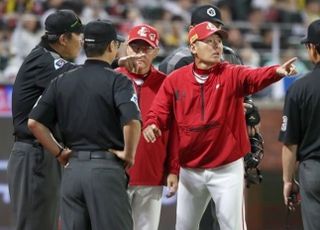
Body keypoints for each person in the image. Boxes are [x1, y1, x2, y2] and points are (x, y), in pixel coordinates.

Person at [143, 21, 297, 230]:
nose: (217, 46)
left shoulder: (230, 73)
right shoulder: (176, 80)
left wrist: (276, 72)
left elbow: (253, 76)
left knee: (232, 227)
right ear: (193, 47)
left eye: (219, 41)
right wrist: (152, 123)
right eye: (210, 41)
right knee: (184, 227)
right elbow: (159, 110)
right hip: (191, 168)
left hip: (226, 167)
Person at [27, 19, 142, 230]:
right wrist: (129, 154)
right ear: (111, 46)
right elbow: (132, 121)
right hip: (105, 170)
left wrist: (60, 153)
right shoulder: (119, 81)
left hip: (73, 172)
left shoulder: (62, 80)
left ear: (85, 45)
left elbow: (34, 122)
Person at [158, 4, 263, 229]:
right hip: (191, 158)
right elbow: (164, 113)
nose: (213, 31)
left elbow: (249, 105)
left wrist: (250, 125)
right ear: (192, 31)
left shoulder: (231, 57)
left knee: (227, 220)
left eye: (217, 27)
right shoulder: (174, 63)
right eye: (207, 26)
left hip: (224, 154)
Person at [7, 9, 83, 230]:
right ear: (63, 39)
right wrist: (114, 62)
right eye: (79, 36)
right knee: (35, 225)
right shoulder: (44, 61)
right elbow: (84, 76)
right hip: (35, 154)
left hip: (42, 153)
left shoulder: (44, 58)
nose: (82, 42)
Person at [116, 24, 179, 230]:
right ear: (126, 48)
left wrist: (173, 169)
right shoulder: (112, 78)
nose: (140, 54)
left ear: (156, 52)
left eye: (146, 49)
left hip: (151, 174)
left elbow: (174, 132)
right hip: (115, 174)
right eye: (135, 47)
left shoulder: (166, 84)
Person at [279, 19, 320, 230]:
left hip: (314, 171)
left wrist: (288, 180)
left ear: (313, 49)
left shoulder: (299, 88)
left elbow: (290, 143)